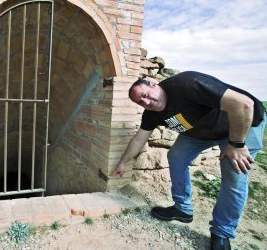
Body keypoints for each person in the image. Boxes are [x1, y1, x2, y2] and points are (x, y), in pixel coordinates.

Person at [110, 71, 266, 250]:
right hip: (201, 132)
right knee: (176, 156)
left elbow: (244, 104)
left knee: (234, 175)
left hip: (239, 125)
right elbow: (139, 139)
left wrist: (237, 144)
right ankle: (182, 208)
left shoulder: (186, 85)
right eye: (140, 102)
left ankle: (222, 233)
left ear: (153, 84)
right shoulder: (152, 113)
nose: (145, 102)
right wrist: (122, 162)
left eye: (144, 95)